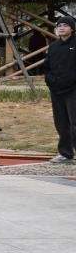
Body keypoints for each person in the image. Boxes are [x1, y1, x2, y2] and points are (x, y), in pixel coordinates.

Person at [47, 15, 76, 163]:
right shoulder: (53, 47)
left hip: (73, 90)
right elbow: (47, 67)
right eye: (59, 25)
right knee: (61, 122)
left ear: (72, 28)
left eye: (65, 25)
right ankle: (65, 153)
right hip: (57, 90)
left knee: (74, 122)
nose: (62, 27)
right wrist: (51, 81)